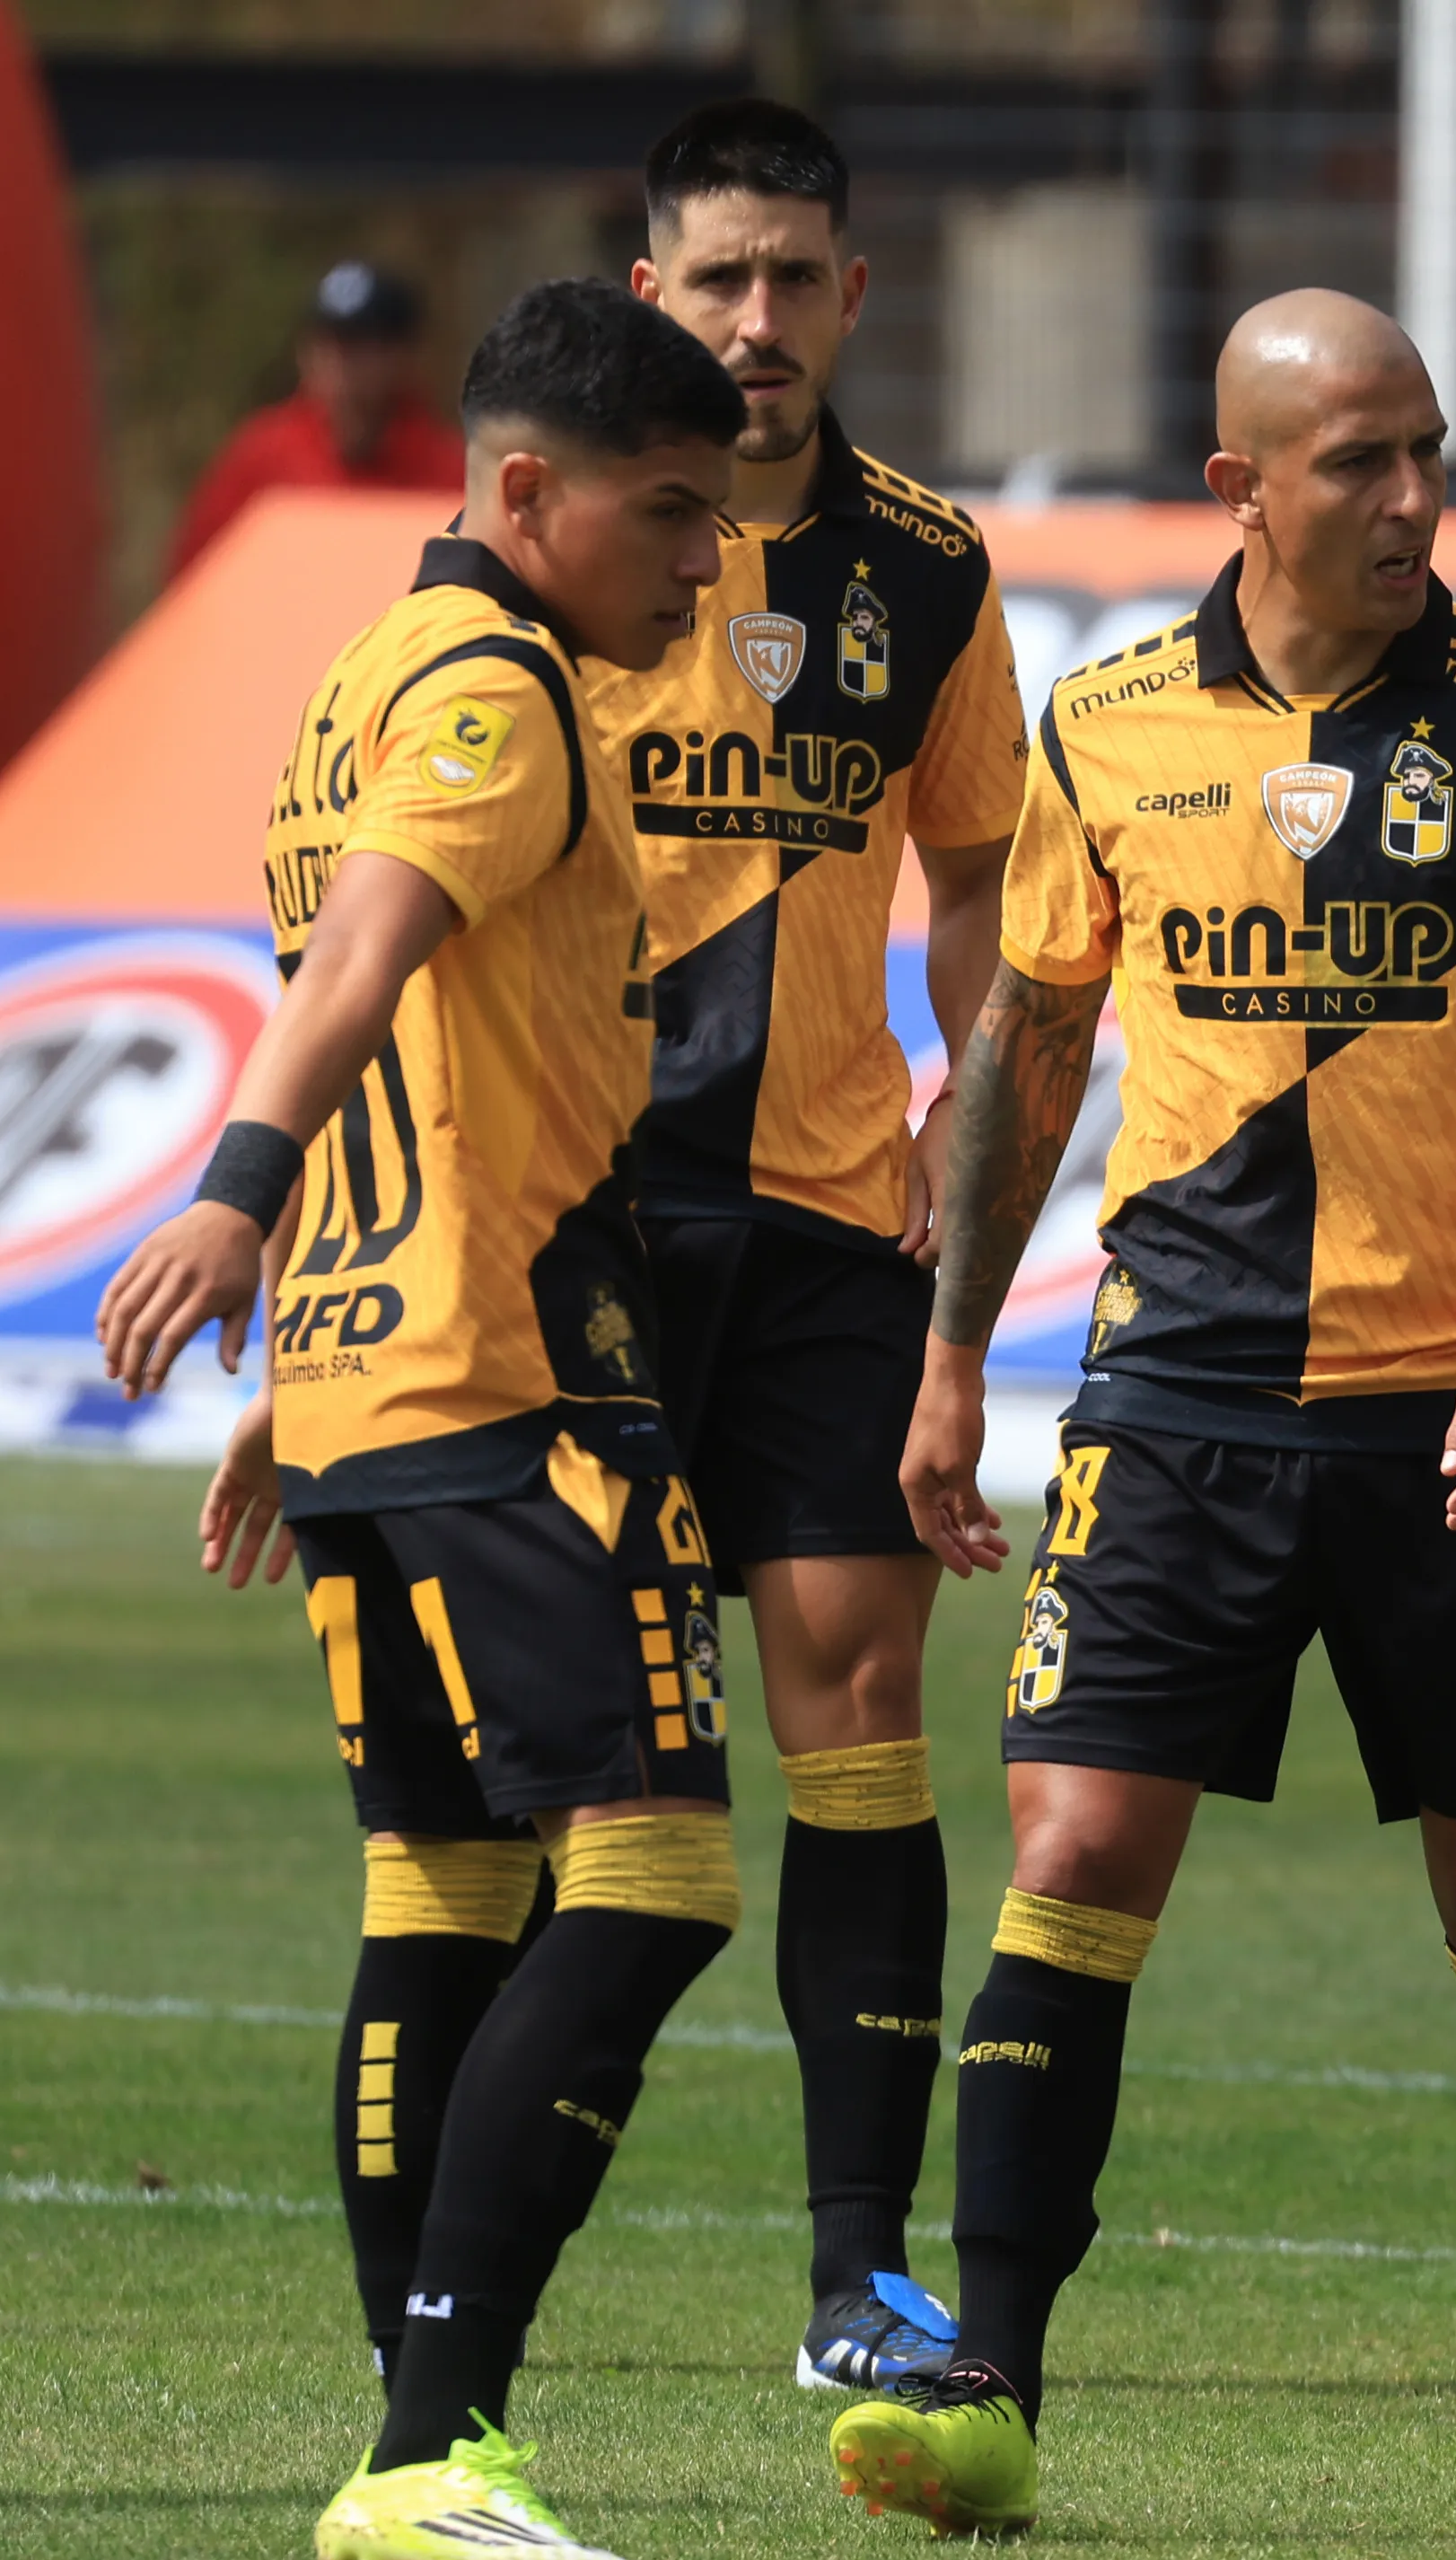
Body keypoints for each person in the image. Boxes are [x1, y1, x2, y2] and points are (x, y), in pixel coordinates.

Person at [813, 288, 1456, 2544]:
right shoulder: (1104, 726)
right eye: (1356, 461)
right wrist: (947, 1347)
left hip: (1453, 1406)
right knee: (1076, 1849)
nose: (1408, 497)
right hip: (1177, 1390)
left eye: (1426, 451)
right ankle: (989, 2382)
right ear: (1239, 489)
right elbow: (1026, 1047)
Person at [94, 275, 748, 2560]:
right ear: (521, 496)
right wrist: (234, 1196)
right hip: (514, 1375)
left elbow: (408, 1025)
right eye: (670, 517)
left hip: (387, 1378)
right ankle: (429, 2432)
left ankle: (431, 2437)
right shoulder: (493, 688)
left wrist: (306, 1356)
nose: (702, 564)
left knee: (446, 1898)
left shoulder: (359, 679)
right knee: (655, 1881)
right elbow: (360, 962)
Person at [598, 94, 1029, 2401]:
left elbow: (986, 889)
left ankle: (858, 2275)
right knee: (579, 1778)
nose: (756, 322)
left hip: (830, 1223)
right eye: (716, 278)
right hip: (580, 1217)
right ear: (649, 283)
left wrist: (973, 1111)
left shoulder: (931, 573)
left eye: (794, 280)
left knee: (861, 1714)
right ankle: (465, 2281)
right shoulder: (549, 544)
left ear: (854, 296)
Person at [165, 261, 470, 583]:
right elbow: (193, 574)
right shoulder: (262, 456)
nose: (339, 362)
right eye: (327, 342)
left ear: (402, 355)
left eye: (360, 344)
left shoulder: (449, 470)